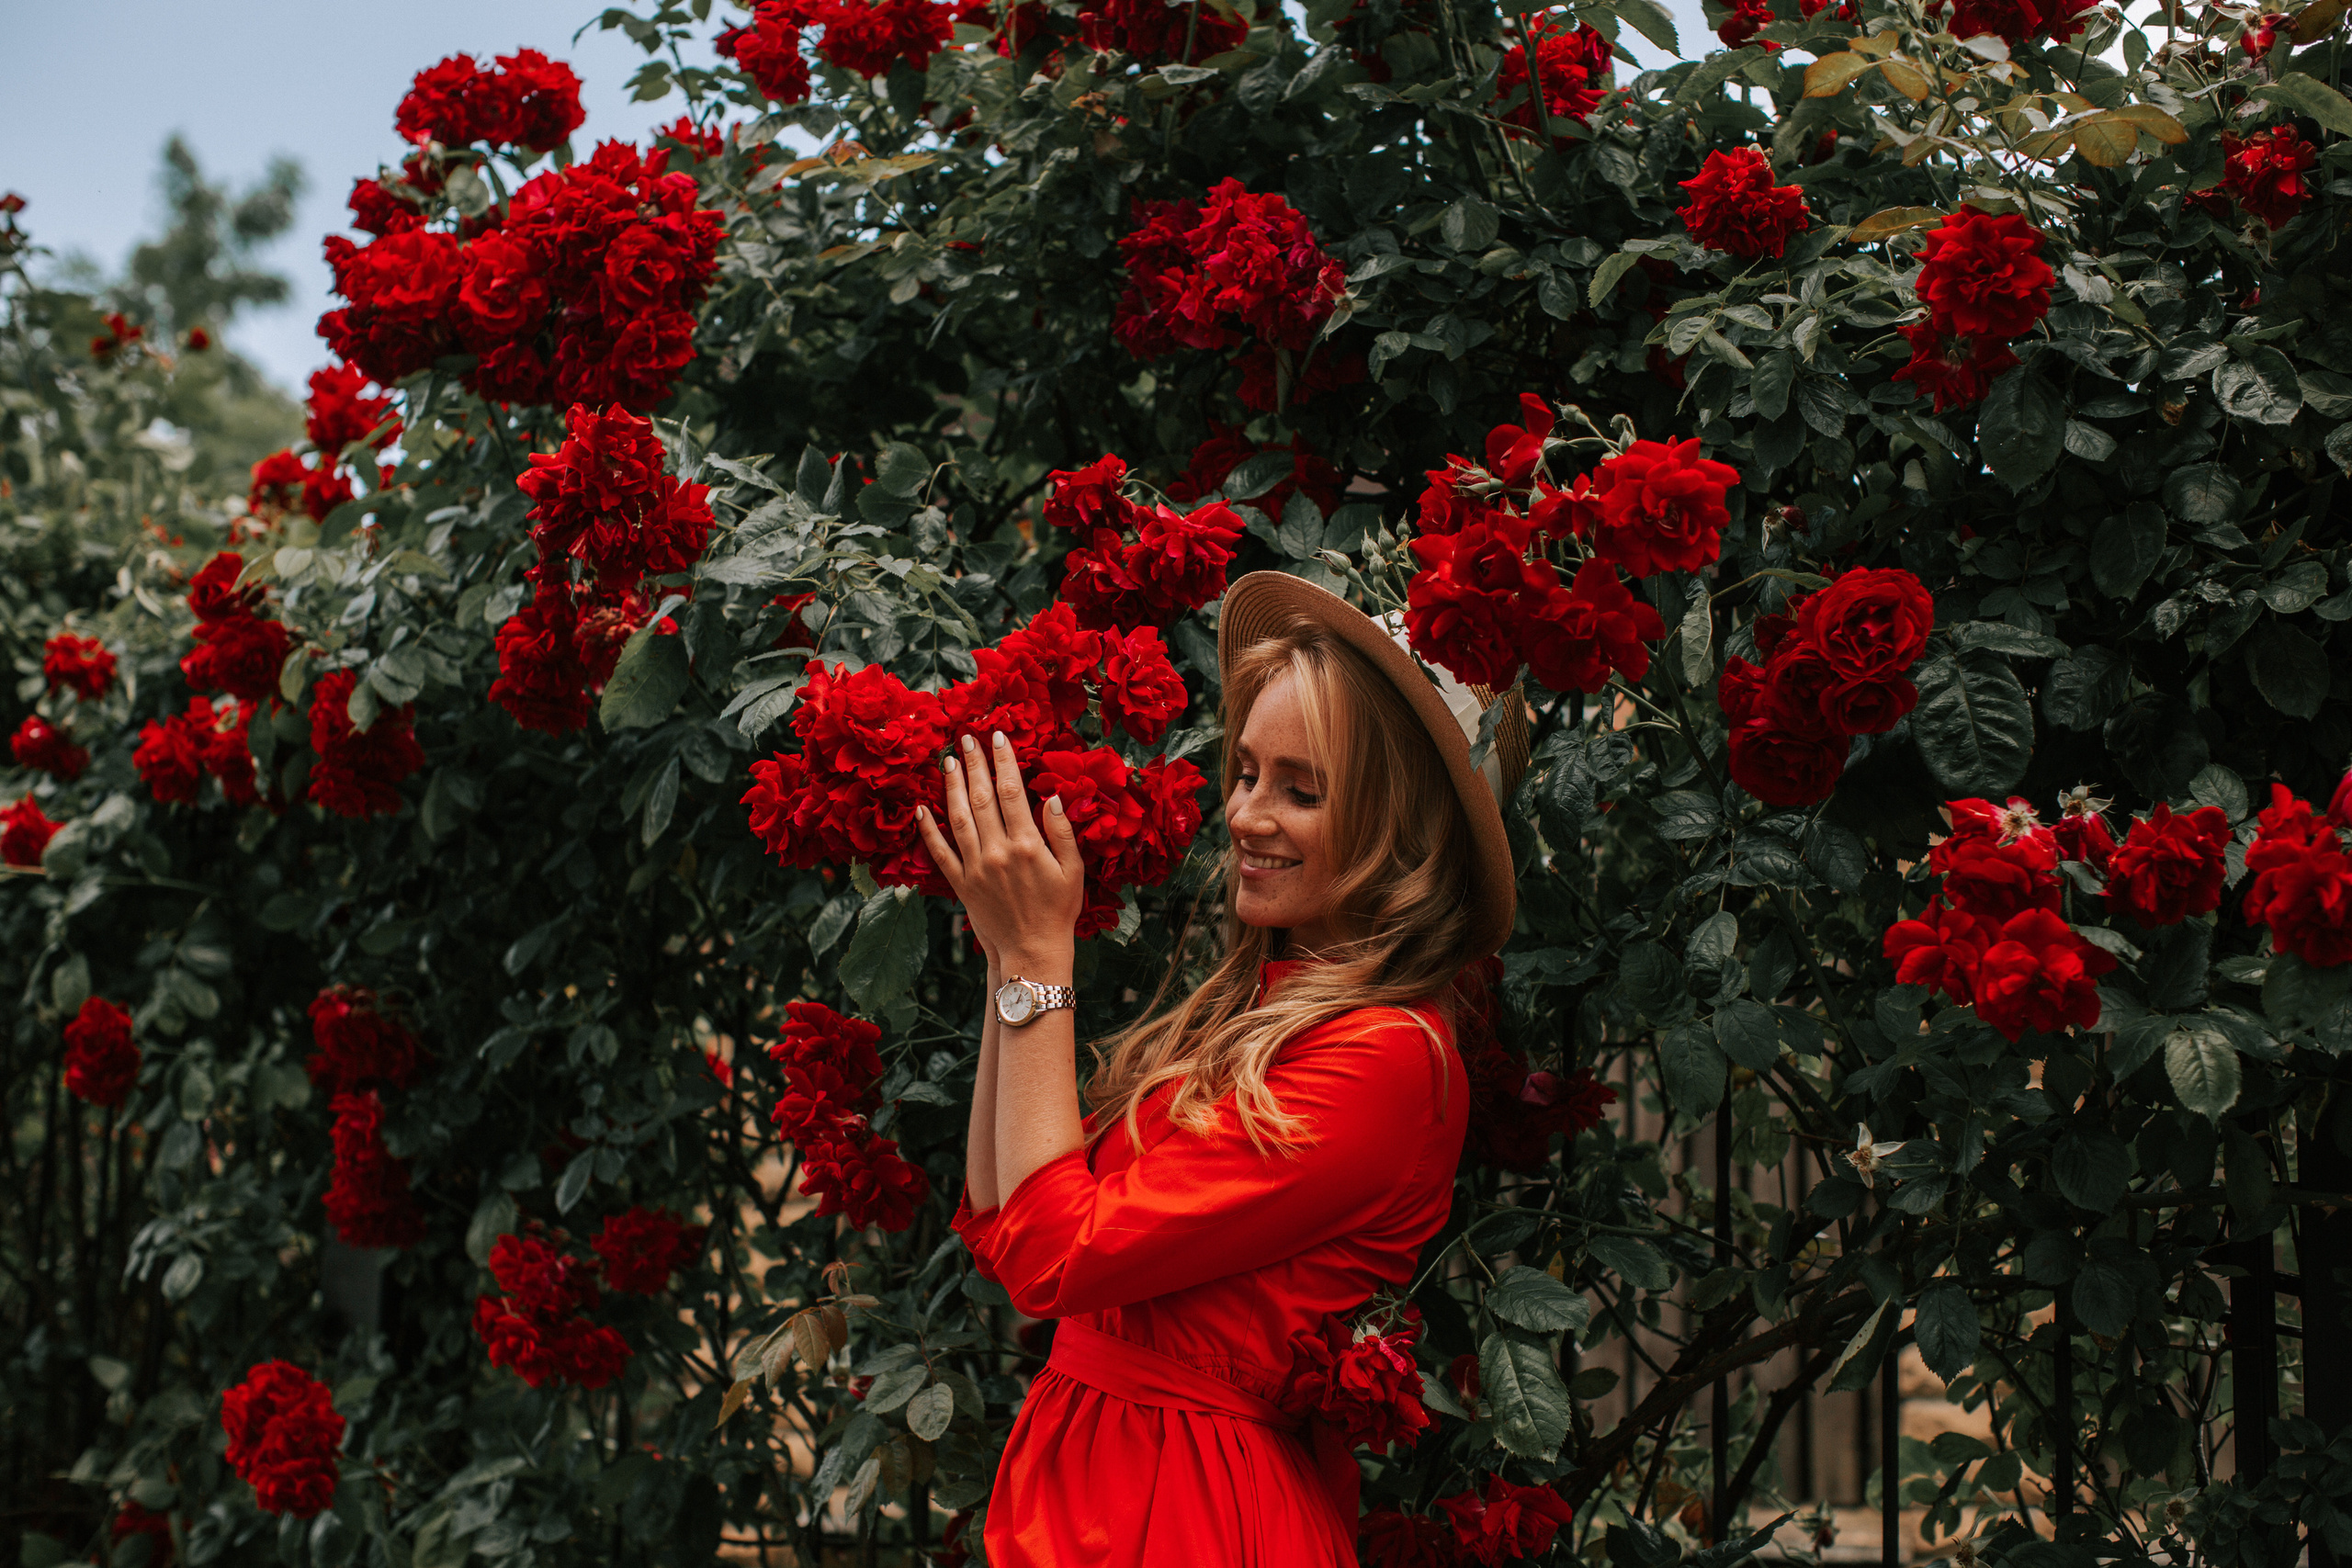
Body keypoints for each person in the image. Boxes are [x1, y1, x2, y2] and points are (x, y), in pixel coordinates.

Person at [913, 570, 1529, 1566]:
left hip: (1189, 1514)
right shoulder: (1273, 1014)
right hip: (1109, 1490)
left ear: (1402, 832)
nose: (1245, 814)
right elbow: (1003, 1219)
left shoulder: (1388, 1059)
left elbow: (1050, 1254)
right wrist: (1005, 954)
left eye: (1301, 790)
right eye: (1245, 773)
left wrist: (1037, 959)